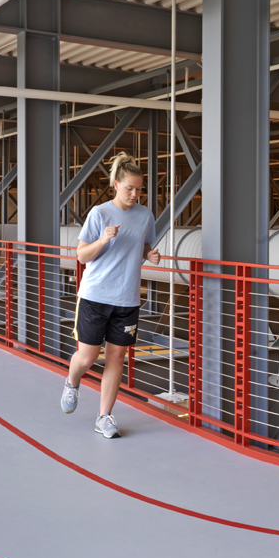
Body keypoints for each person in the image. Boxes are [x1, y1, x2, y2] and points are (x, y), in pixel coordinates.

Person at [60, 152, 161, 438]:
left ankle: (104, 416)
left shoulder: (144, 216)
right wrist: (103, 239)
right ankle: (72, 380)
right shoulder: (100, 214)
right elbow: (81, 255)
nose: (134, 194)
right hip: (95, 296)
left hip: (127, 299)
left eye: (139, 189)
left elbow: (140, 246)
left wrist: (149, 253)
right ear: (116, 184)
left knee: (117, 359)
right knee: (88, 357)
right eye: (129, 188)